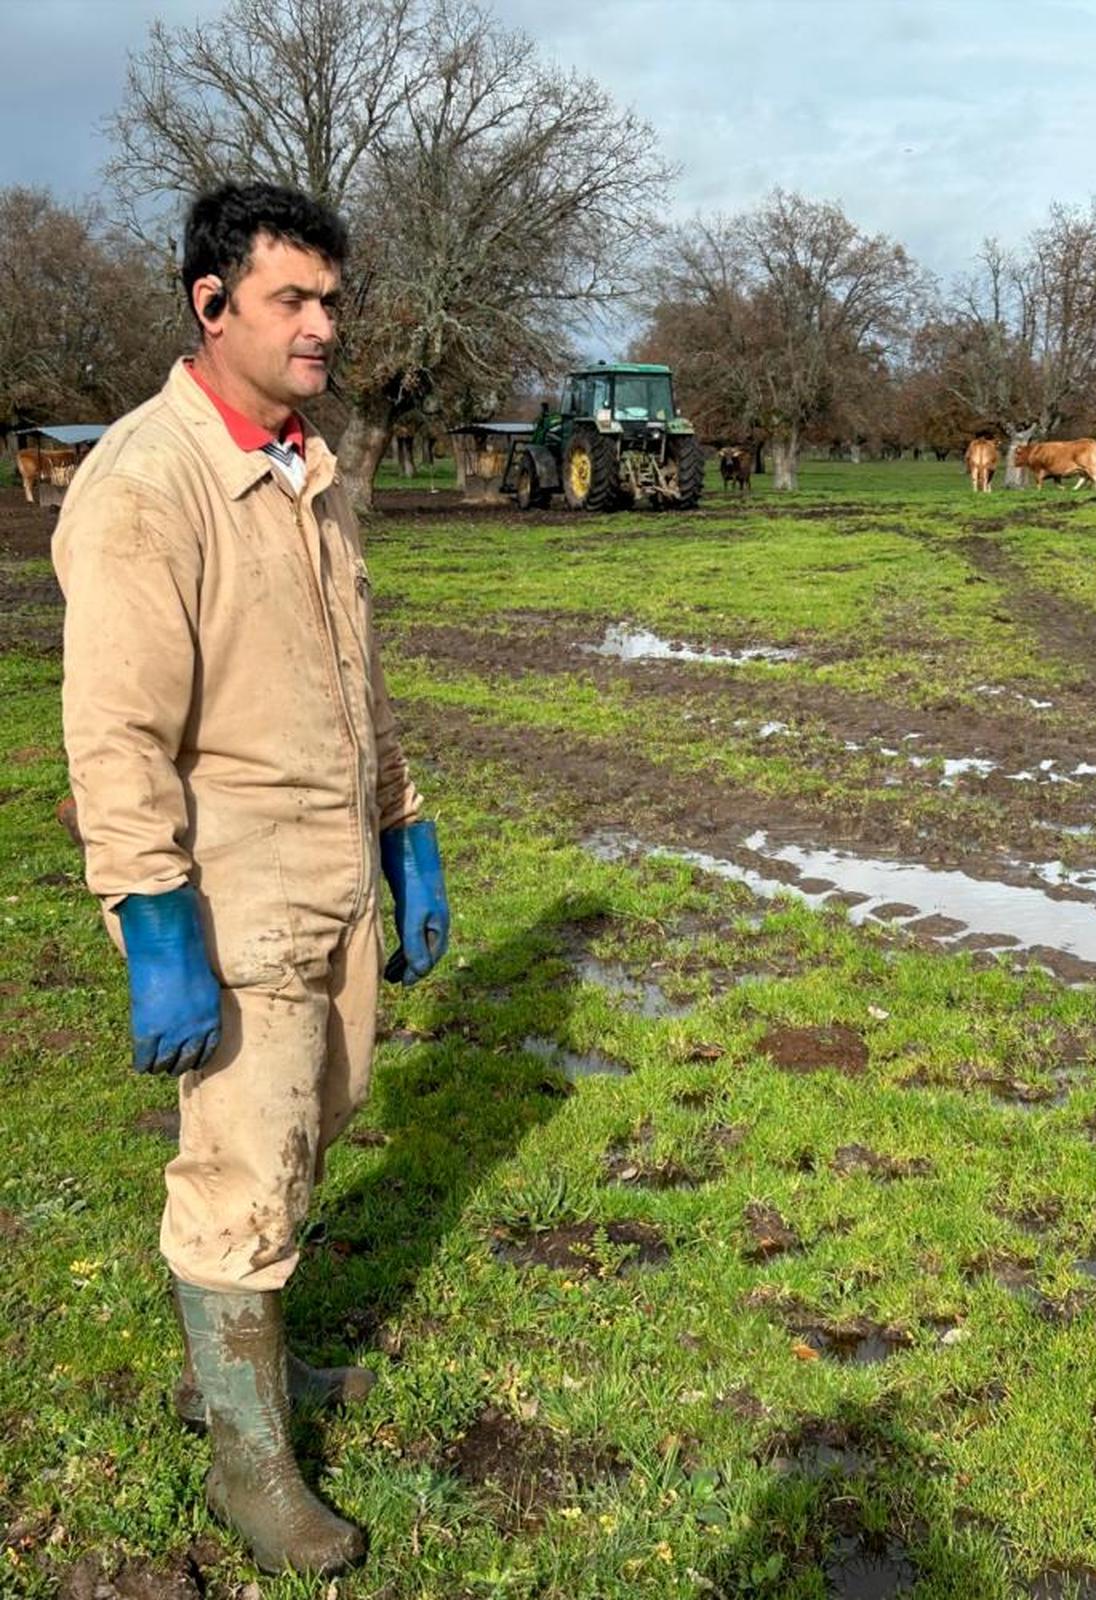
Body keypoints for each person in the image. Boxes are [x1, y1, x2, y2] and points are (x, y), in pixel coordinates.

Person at [51, 181, 450, 1575]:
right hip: (233, 896)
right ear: (208, 306)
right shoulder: (149, 482)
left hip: (334, 874)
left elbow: (358, 674)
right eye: (293, 298)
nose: (324, 324)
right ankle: (247, 1466)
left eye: (333, 298)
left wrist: (405, 827)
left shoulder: (308, 466)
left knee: (315, 1123)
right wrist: (152, 913)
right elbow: (113, 728)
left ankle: (226, 1379)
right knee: (242, 1169)